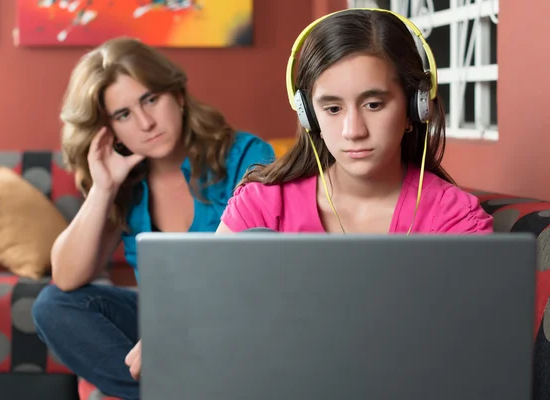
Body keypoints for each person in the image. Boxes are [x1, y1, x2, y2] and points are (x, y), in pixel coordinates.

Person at [32, 37, 275, 400]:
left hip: (234, 322)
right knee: (53, 307)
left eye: (150, 99)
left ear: (176, 95)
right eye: (123, 115)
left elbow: (259, 272)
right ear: (109, 130)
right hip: (160, 326)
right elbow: (66, 278)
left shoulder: (245, 155)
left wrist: (177, 327)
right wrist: (103, 188)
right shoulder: (127, 184)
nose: (145, 123)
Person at [217, 9, 493, 235]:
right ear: (310, 116)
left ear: (414, 108)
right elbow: (205, 298)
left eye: (373, 105)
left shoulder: (455, 219)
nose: (353, 131)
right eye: (333, 108)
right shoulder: (260, 206)